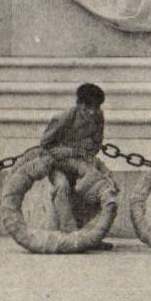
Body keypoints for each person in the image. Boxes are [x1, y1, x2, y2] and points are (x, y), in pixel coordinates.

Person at [39, 83, 113, 243]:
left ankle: (91, 235)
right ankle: (71, 235)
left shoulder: (98, 116)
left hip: (81, 163)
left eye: (96, 107)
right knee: (62, 187)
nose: (92, 111)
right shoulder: (64, 117)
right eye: (87, 107)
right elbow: (44, 145)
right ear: (79, 104)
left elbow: (96, 144)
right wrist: (70, 151)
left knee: (94, 188)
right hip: (57, 164)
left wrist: (78, 151)